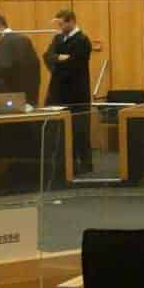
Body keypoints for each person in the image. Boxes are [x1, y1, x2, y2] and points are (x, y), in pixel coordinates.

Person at [45, 9, 94, 173]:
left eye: (61, 24)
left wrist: (58, 60)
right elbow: (47, 56)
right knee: (62, 131)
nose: (59, 27)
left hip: (77, 92)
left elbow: (75, 64)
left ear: (71, 21)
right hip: (59, 91)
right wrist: (60, 58)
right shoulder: (58, 38)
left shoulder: (82, 40)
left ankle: (85, 164)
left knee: (80, 130)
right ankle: (68, 164)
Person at [0, 13, 41, 107]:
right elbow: (36, 64)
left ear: (0, 25)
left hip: (13, 91)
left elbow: (3, 67)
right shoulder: (24, 38)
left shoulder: (4, 41)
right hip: (30, 89)